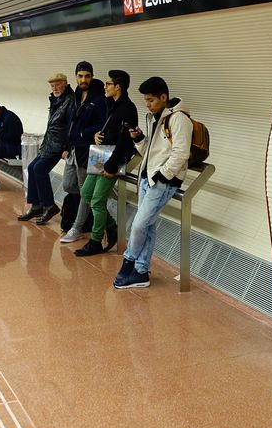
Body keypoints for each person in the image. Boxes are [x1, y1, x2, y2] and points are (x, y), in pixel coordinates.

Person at [113, 77, 192, 289]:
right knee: (147, 225)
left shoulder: (179, 119)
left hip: (162, 181)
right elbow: (152, 151)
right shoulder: (156, 117)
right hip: (148, 177)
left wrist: (162, 175)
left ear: (163, 97)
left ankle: (128, 262)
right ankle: (141, 272)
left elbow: (181, 152)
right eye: (146, 101)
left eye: (150, 100)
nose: (147, 104)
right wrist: (139, 139)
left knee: (139, 224)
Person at [67, 69, 138, 255]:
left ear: (118, 87)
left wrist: (112, 166)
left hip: (113, 160)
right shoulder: (110, 104)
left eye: (108, 84)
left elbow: (125, 142)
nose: (104, 86)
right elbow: (107, 129)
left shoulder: (128, 109)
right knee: (86, 192)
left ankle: (96, 241)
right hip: (101, 155)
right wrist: (97, 136)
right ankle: (111, 226)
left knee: (98, 200)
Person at [17, 72, 73, 225]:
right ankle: (37, 206)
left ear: (65, 84)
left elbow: (70, 126)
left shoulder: (70, 100)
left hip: (58, 145)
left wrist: (66, 147)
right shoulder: (56, 100)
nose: (55, 88)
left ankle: (49, 205)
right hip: (49, 143)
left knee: (40, 169)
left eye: (58, 85)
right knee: (32, 167)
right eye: (52, 86)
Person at [59, 61, 106, 240]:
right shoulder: (77, 94)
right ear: (76, 77)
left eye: (87, 76)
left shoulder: (100, 97)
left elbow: (101, 125)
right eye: (80, 76)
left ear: (92, 76)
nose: (83, 79)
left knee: (84, 191)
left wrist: (82, 134)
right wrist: (67, 144)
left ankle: (77, 228)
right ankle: (88, 209)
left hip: (88, 152)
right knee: (68, 185)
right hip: (73, 149)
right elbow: (71, 121)